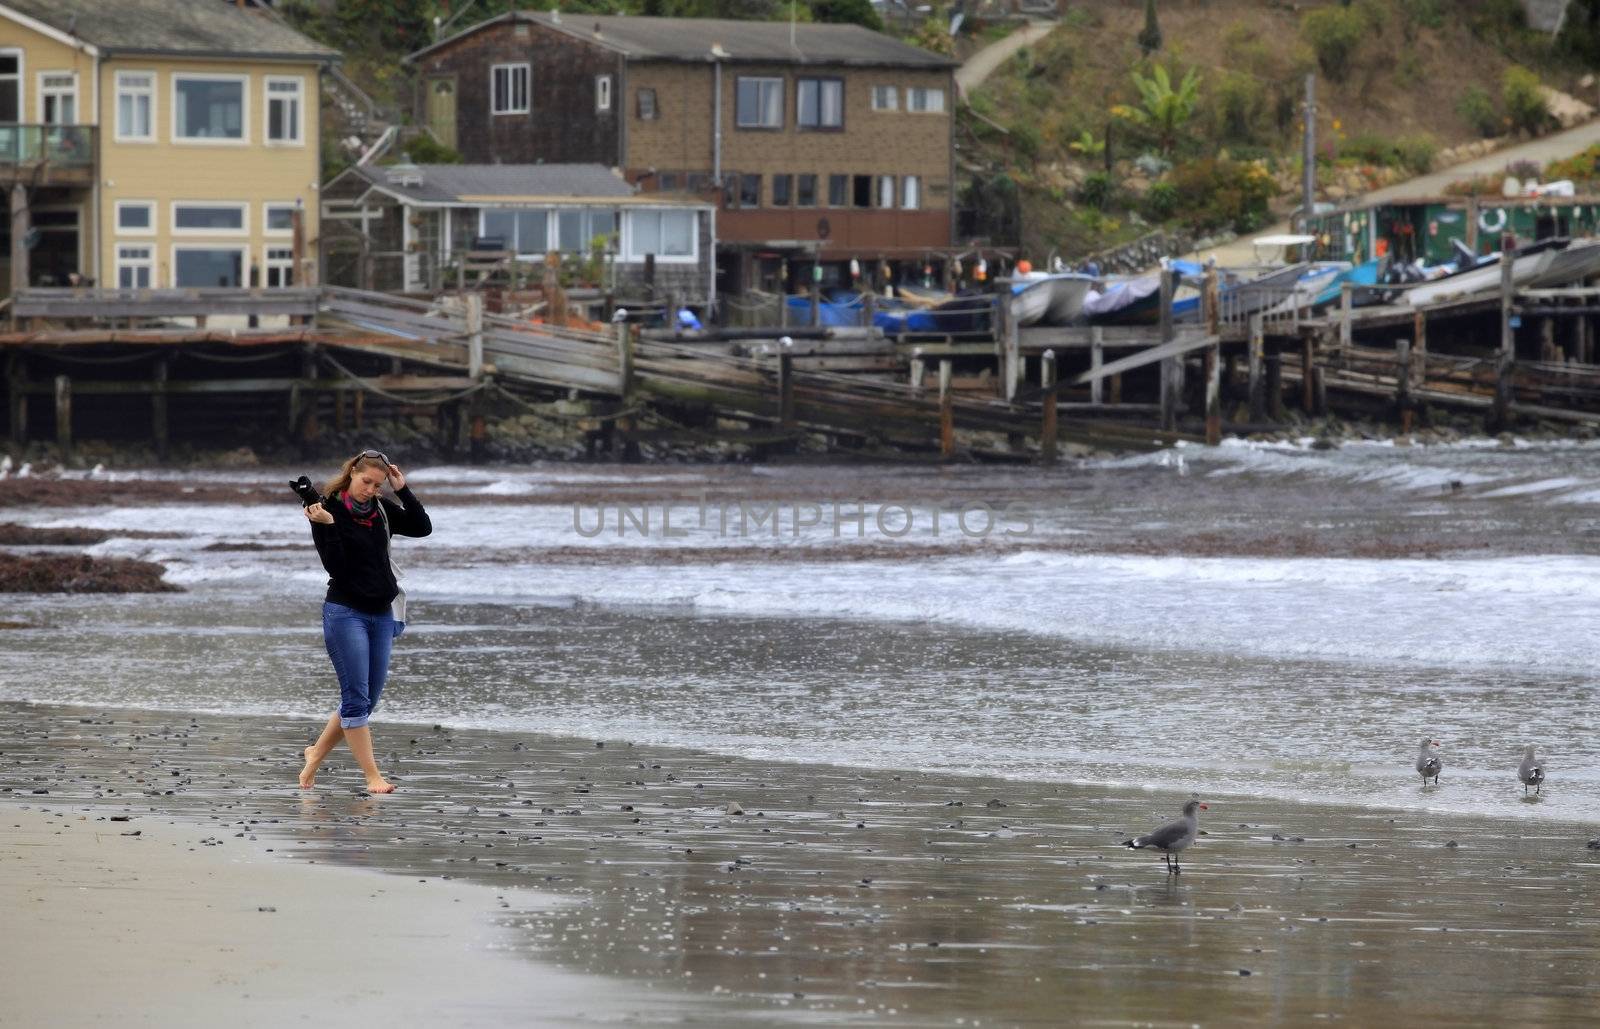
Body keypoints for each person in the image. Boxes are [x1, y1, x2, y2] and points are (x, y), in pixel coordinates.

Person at [298, 450, 431, 793]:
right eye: (365, 482)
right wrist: (327, 526)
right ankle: (373, 776)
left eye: (378, 484)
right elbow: (336, 567)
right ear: (351, 474)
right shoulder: (328, 508)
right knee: (355, 698)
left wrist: (402, 491)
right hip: (345, 613)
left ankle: (315, 753)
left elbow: (422, 527)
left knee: (366, 701)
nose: (370, 489)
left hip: (381, 614)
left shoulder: (382, 510)